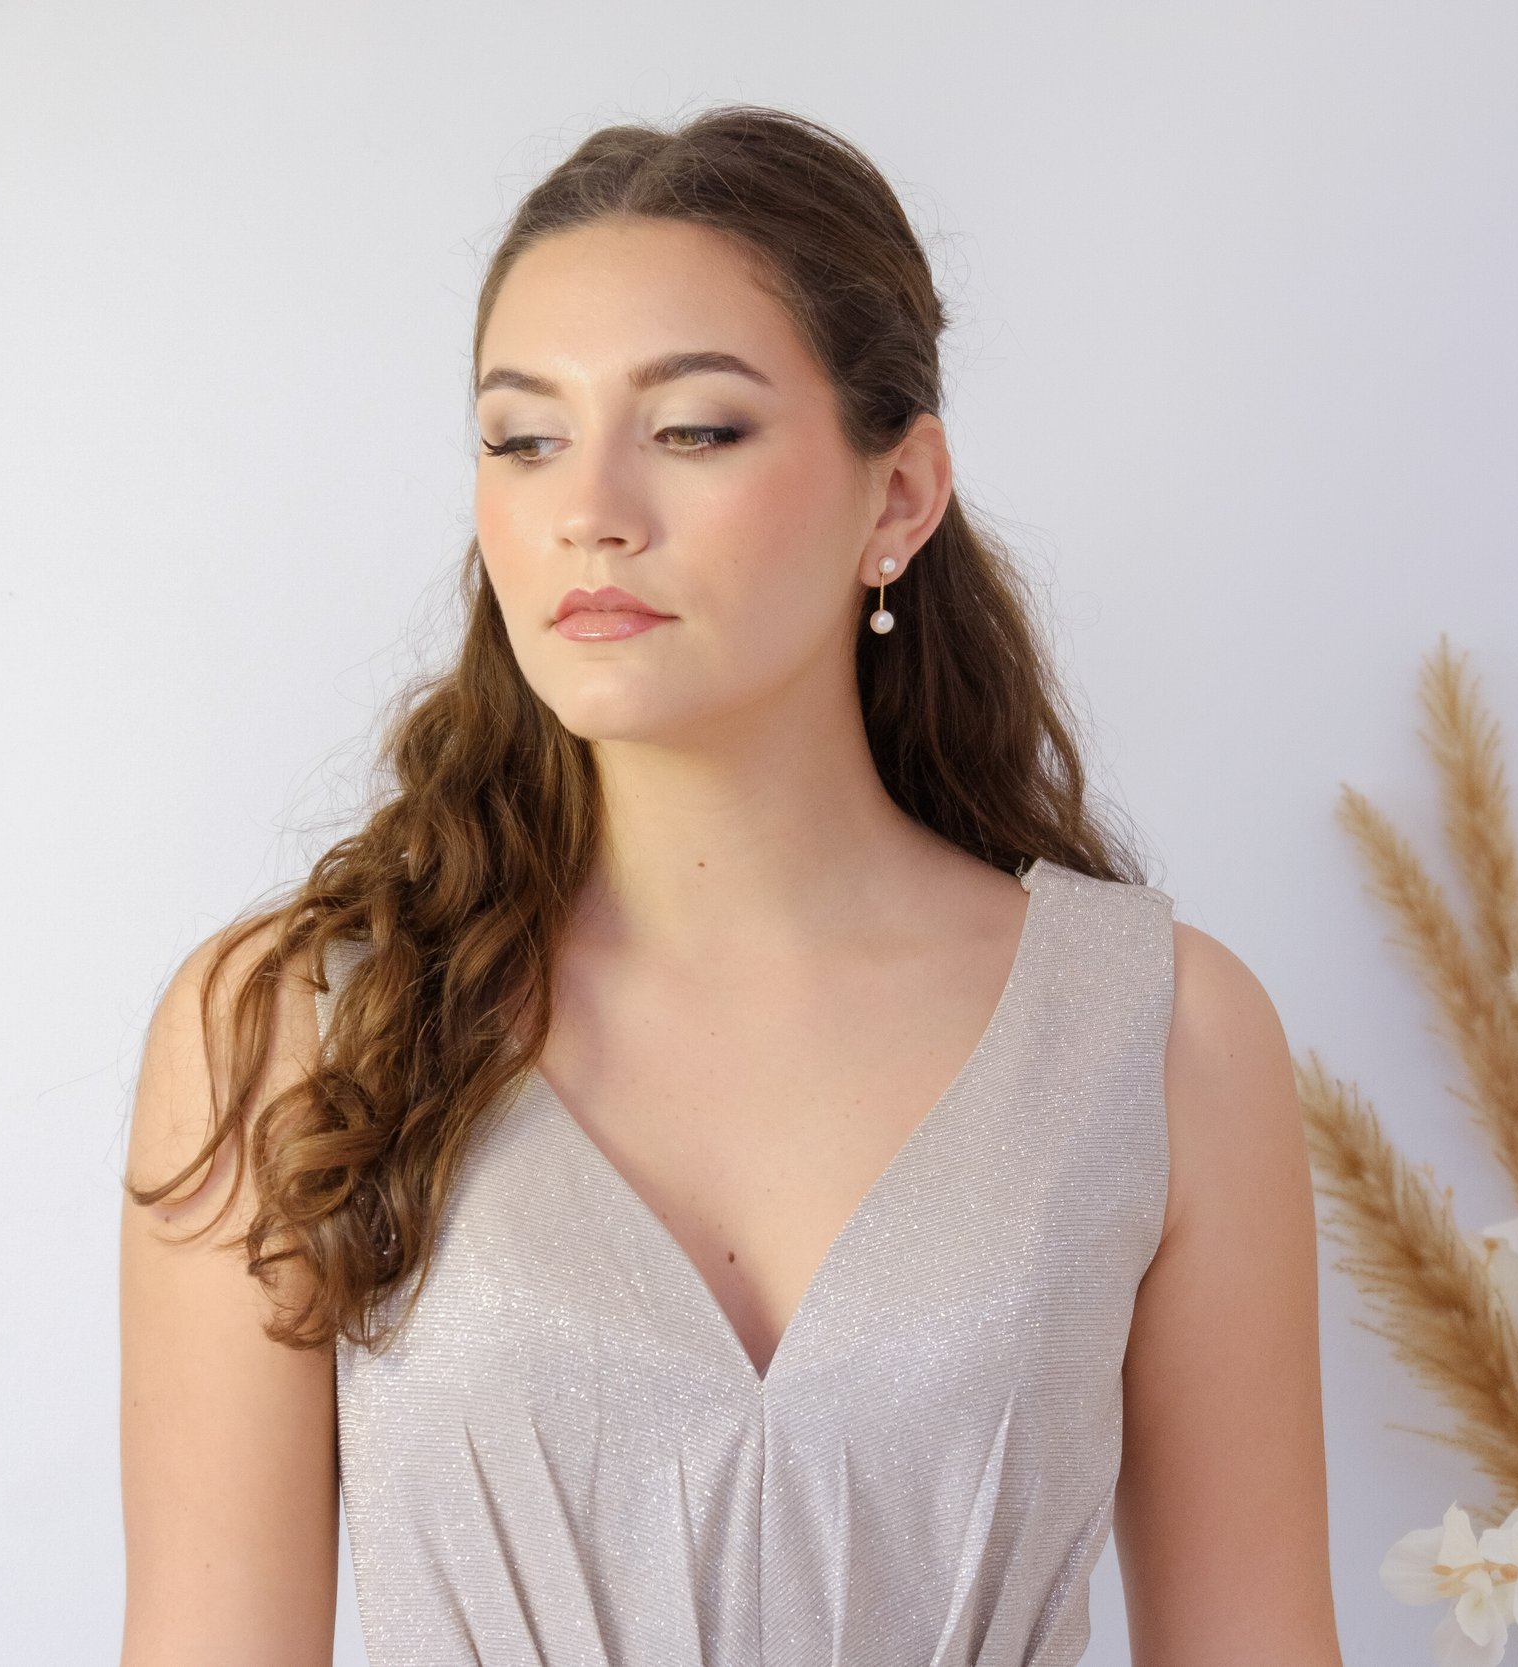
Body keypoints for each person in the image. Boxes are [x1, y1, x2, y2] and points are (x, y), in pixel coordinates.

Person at [118, 105, 1342, 1667]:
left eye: (694, 430)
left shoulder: (1159, 1036)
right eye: (524, 438)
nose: (590, 510)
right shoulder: (294, 1031)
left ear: (899, 498)